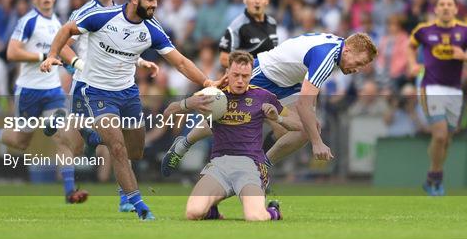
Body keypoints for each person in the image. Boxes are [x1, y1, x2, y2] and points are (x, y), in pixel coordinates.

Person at [40, 0, 223, 221]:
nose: (154, 4)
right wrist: (53, 54)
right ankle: (139, 205)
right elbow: (66, 30)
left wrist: (206, 82)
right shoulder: (102, 17)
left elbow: (179, 61)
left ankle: (91, 134)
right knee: (116, 147)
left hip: (128, 95)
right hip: (96, 92)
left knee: (134, 151)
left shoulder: (151, 29)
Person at [162, 32, 378, 175]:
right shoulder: (328, 56)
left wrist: (310, 132)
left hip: (288, 85)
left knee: (308, 129)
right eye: (358, 63)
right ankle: (183, 144)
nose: (356, 69)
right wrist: (317, 143)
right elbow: (304, 106)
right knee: (225, 116)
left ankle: (261, 168)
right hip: (264, 73)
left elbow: (306, 104)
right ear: (348, 50)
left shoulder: (339, 51)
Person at [0, 0, 88, 203]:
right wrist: (42, 56)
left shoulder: (57, 23)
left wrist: (77, 66)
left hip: (52, 89)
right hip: (29, 91)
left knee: (62, 138)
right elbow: (12, 53)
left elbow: (62, 50)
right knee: (21, 142)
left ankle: (69, 191)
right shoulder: (29, 22)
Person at [55, 0, 159, 212]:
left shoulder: (126, 13)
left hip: (119, 86)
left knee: (121, 141)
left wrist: (141, 60)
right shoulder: (85, 12)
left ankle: (125, 196)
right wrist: (78, 64)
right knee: (79, 144)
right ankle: (73, 180)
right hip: (87, 84)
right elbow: (64, 43)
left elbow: (124, 47)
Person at [164, 51, 294, 221]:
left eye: (245, 76)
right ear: (227, 73)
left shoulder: (263, 96)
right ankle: (212, 212)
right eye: (236, 75)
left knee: (255, 217)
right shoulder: (214, 94)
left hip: (250, 166)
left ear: (251, 75)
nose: (240, 80)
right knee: (193, 213)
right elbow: (168, 111)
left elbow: (295, 123)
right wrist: (189, 102)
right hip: (220, 165)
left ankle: (273, 211)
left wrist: (279, 118)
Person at [409, 0, 467, 196]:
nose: (446, 7)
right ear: (436, 9)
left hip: (454, 90)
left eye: (450, 4)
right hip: (431, 87)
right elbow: (411, 46)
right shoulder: (425, 31)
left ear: (456, 9)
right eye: (442, 4)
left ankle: (432, 175)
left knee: (447, 139)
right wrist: (412, 64)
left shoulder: (465, 32)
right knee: (439, 135)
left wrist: (465, 55)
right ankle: (437, 179)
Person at [218, 0, 278, 68]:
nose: (257, 1)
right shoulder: (237, 26)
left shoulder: (272, 23)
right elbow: (224, 59)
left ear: (267, 0)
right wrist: (247, 68)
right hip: (248, 79)